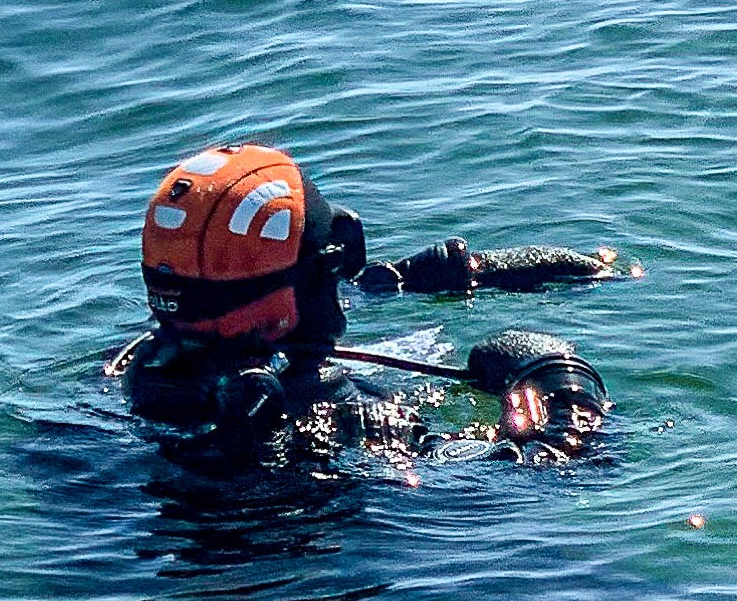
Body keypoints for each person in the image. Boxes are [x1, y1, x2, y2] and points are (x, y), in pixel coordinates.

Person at [110, 141, 620, 464]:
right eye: (332, 263)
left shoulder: (137, 376)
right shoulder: (344, 418)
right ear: (297, 289)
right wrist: (566, 403)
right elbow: (511, 484)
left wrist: (423, 273)